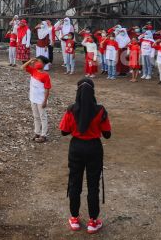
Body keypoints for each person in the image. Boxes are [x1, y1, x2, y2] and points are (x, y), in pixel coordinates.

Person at [59, 78, 111, 234]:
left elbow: (63, 131)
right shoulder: (100, 110)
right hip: (94, 148)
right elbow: (107, 134)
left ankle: (74, 218)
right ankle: (93, 222)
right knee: (93, 185)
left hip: (76, 148)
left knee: (75, 183)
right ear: (93, 92)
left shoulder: (71, 109)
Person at [22, 56, 52, 143]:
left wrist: (45, 100)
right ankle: (37, 132)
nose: (36, 63)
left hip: (41, 99)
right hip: (33, 97)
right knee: (36, 116)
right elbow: (22, 67)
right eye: (36, 61)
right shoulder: (33, 71)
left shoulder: (45, 75)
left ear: (43, 64)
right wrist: (30, 61)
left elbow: (47, 89)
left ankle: (44, 135)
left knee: (43, 116)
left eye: (38, 61)